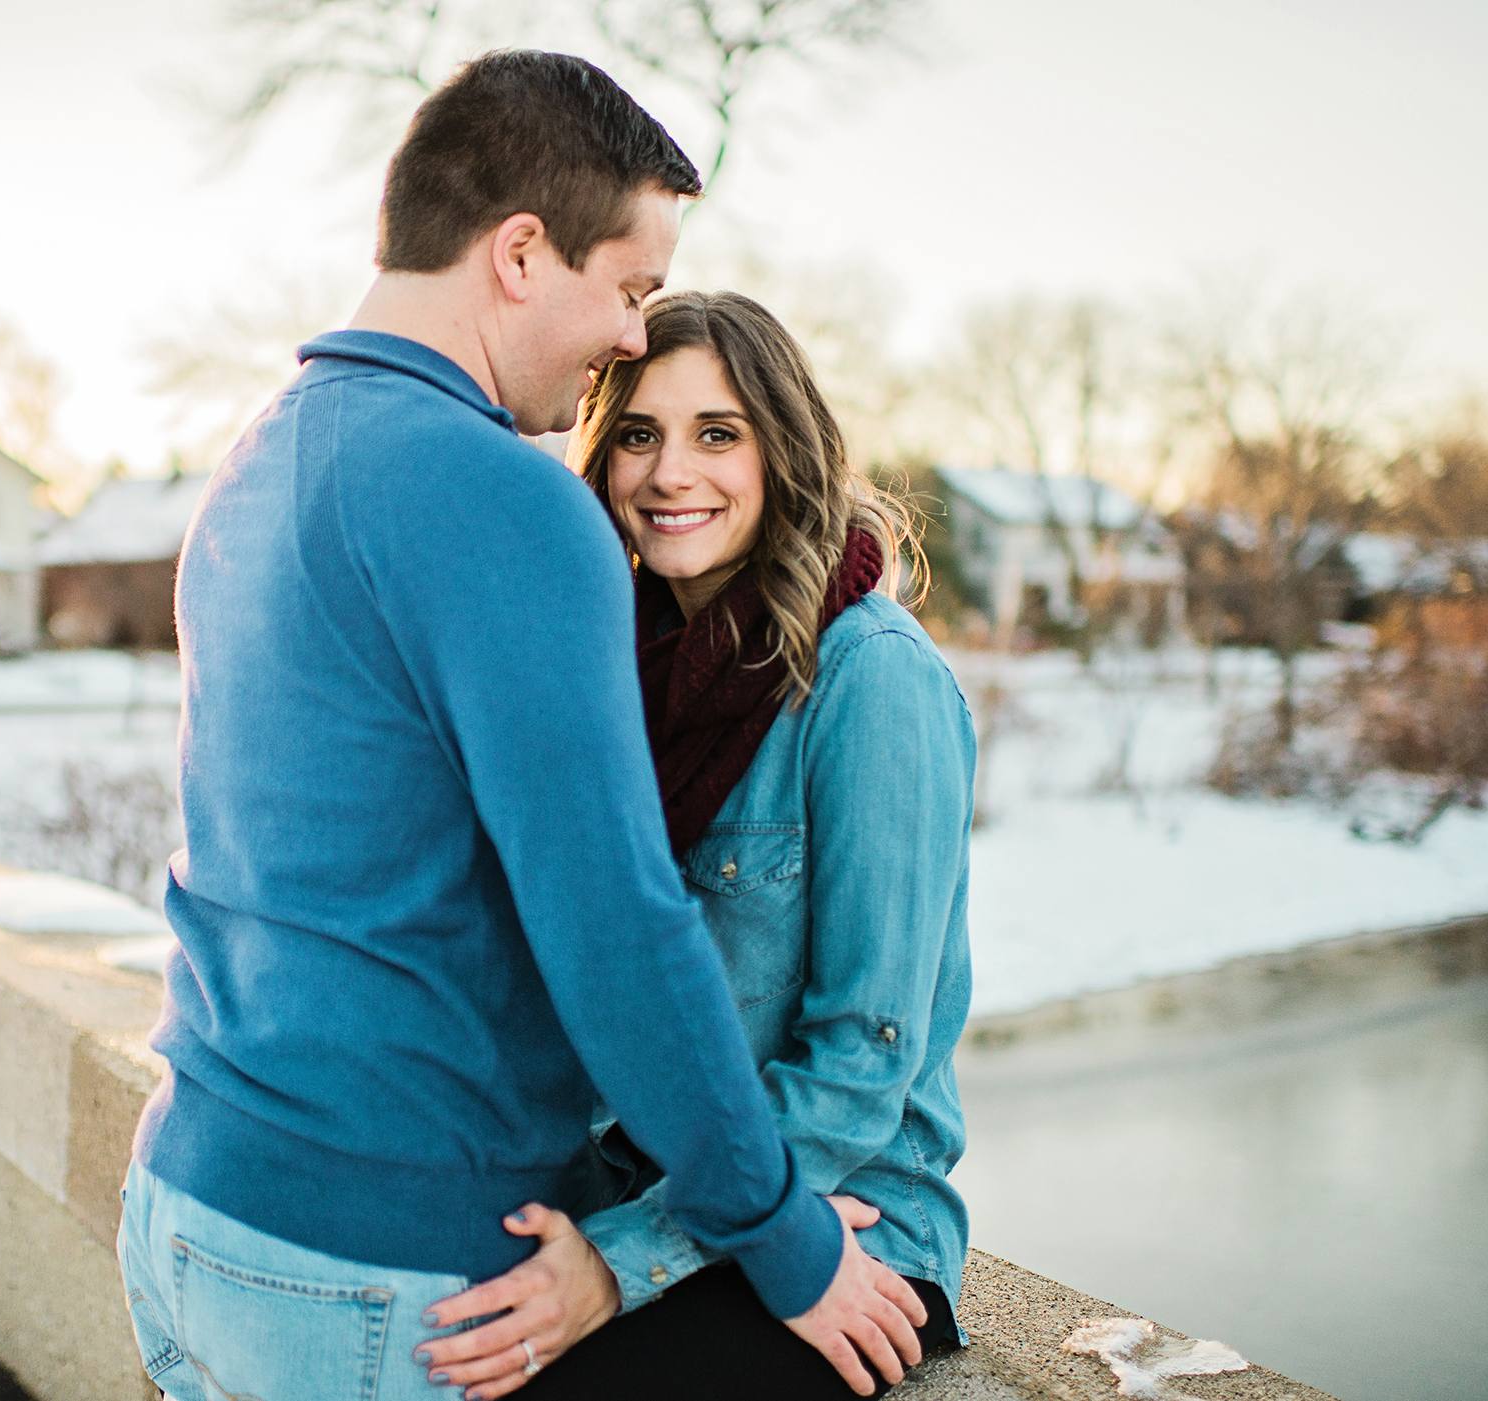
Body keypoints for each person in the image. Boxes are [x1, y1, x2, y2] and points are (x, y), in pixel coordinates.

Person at [116, 53, 926, 1401]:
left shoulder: (257, 460)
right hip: (374, 1270)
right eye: (627, 289)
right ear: (519, 253)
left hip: (186, 1203)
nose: (626, 337)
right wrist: (783, 1238)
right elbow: (614, 925)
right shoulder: (509, 499)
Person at [414, 290, 976, 1400]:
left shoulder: (872, 680)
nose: (672, 474)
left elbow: (864, 1062)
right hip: (638, 1178)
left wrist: (621, 1265)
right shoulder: (611, 668)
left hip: (841, 1219)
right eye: (638, 434)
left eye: (718, 433)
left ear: (787, 451)